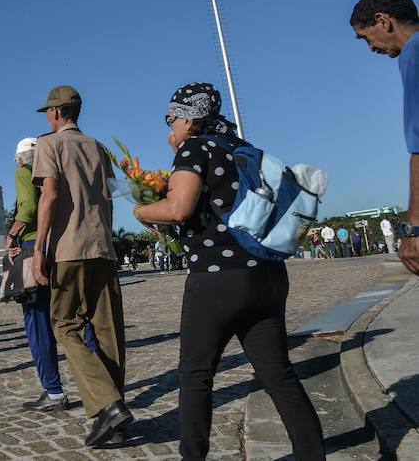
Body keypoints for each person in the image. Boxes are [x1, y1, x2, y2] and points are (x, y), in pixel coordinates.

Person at [134, 82, 324, 460]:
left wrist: (141, 211)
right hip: (267, 275)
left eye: (170, 119)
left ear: (188, 117)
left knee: (196, 375)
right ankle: (311, 454)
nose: (169, 127)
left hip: (219, 278)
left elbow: (178, 209)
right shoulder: (241, 148)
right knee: (277, 373)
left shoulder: (194, 148)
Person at [30, 85, 131, 447]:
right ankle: (114, 423)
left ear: (56, 113)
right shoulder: (99, 147)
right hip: (103, 246)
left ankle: (108, 404)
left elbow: (51, 195)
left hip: (69, 248)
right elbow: (110, 200)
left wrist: (40, 246)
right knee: (108, 333)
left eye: (47, 111)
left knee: (64, 324)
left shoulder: (49, 144)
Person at [352, 0, 419, 274]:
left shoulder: (413, 53)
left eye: (366, 37)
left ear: (383, 20)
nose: (370, 48)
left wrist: (414, 228)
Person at [6, 136, 70, 412]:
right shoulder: (58, 172)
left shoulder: (24, 171)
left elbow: (29, 207)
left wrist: (12, 234)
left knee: (37, 321)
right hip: (62, 247)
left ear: (20, 158)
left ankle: (53, 390)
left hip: (33, 246)